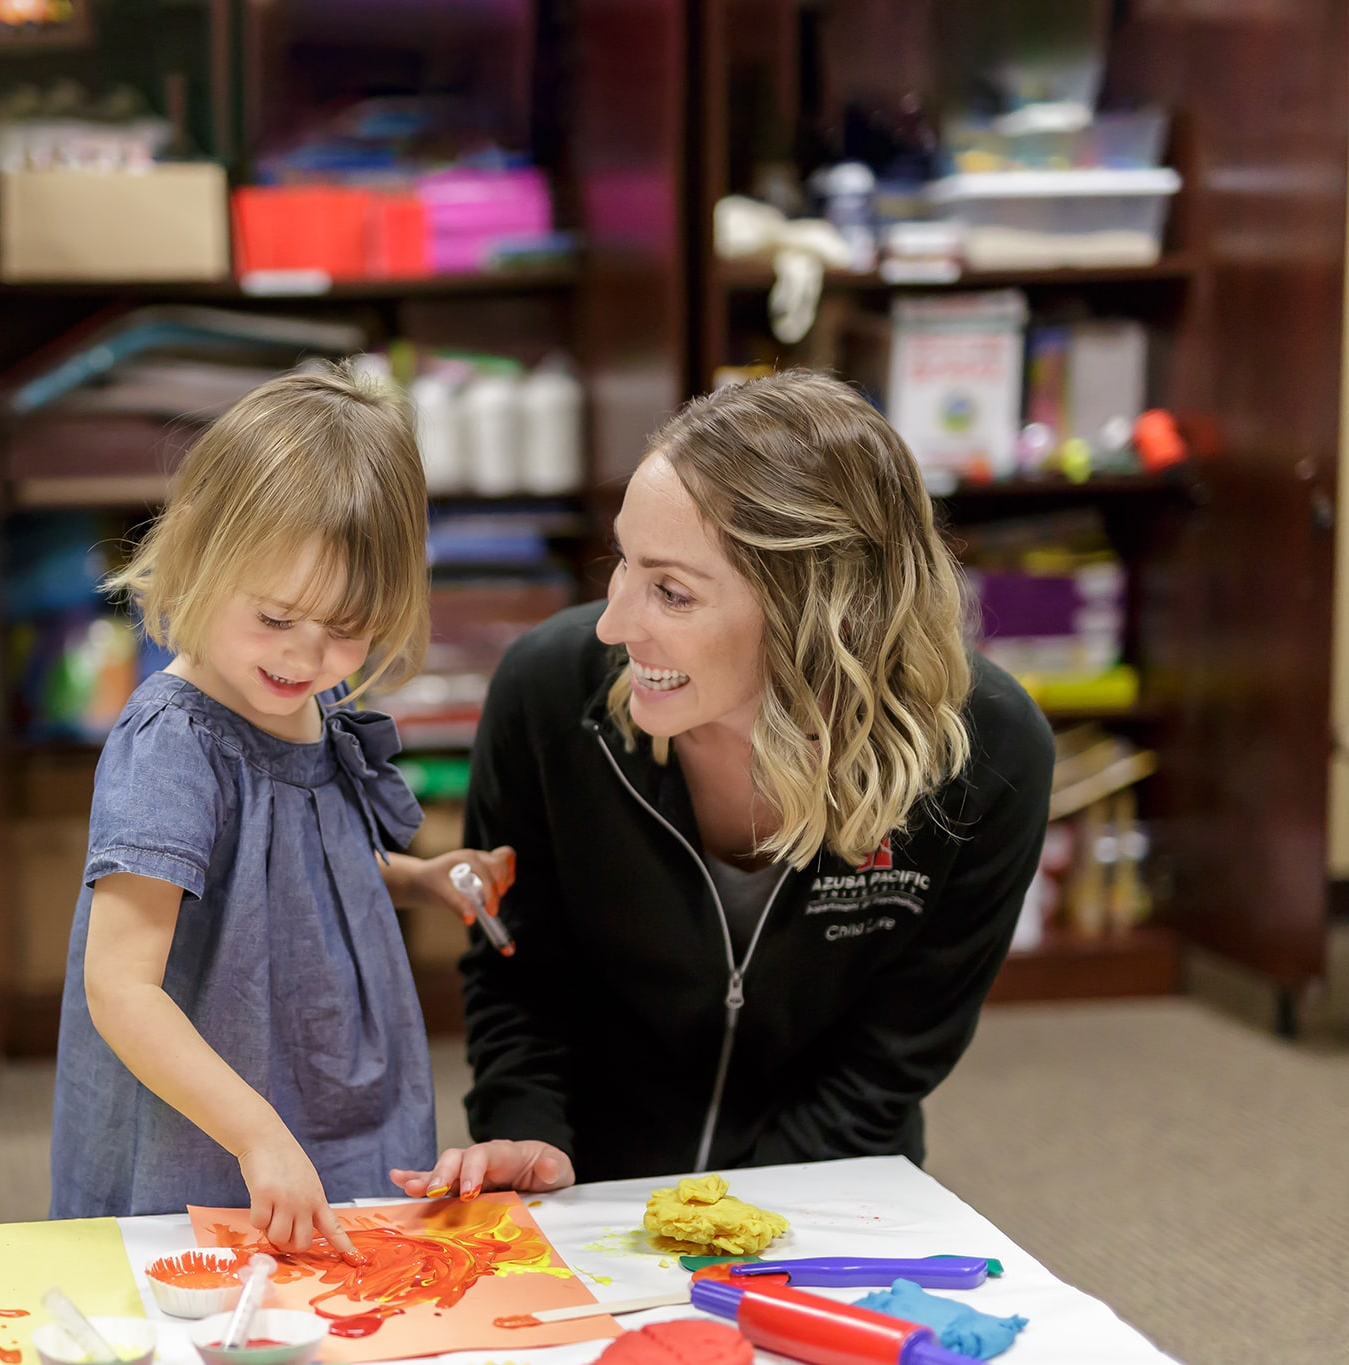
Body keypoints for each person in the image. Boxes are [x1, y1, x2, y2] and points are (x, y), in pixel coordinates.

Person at [390, 371, 1055, 1200]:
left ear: (822, 615)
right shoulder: (547, 691)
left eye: (671, 591)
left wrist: (727, 1225)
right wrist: (527, 1137)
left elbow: (893, 1056)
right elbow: (517, 973)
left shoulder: (986, 752)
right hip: (590, 1185)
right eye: (623, 563)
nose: (613, 623)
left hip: (829, 1181)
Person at [50, 364, 507, 1252]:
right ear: (198, 559)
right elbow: (121, 985)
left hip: (326, 1084)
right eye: (276, 619)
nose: (306, 656)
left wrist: (420, 877)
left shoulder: (306, 700)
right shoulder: (175, 744)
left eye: (345, 629)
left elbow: (307, 860)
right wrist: (258, 1134)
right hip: (212, 1122)